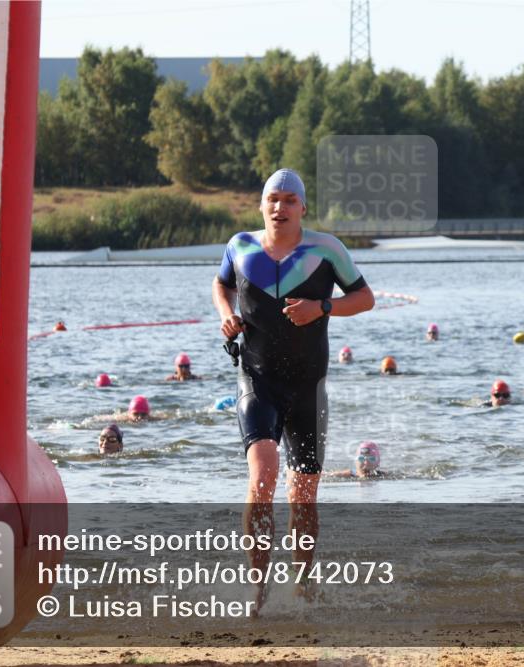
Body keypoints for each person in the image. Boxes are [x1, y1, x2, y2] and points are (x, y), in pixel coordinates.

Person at [212, 167, 375, 610]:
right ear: (261, 205)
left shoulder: (327, 249)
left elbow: (364, 298)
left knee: (303, 496)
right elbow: (221, 284)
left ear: (303, 207)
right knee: (263, 475)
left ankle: (302, 584)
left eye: (289, 200)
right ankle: (257, 588)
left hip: (308, 387)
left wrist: (322, 307)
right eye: (273, 199)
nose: (279, 207)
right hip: (257, 379)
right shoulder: (240, 246)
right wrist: (226, 314)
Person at [325, 441, 390, 479]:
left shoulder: (382, 475)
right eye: (361, 458)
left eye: (371, 459)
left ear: (377, 463)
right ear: (356, 462)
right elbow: (326, 475)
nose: (366, 462)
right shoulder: (348, 474)